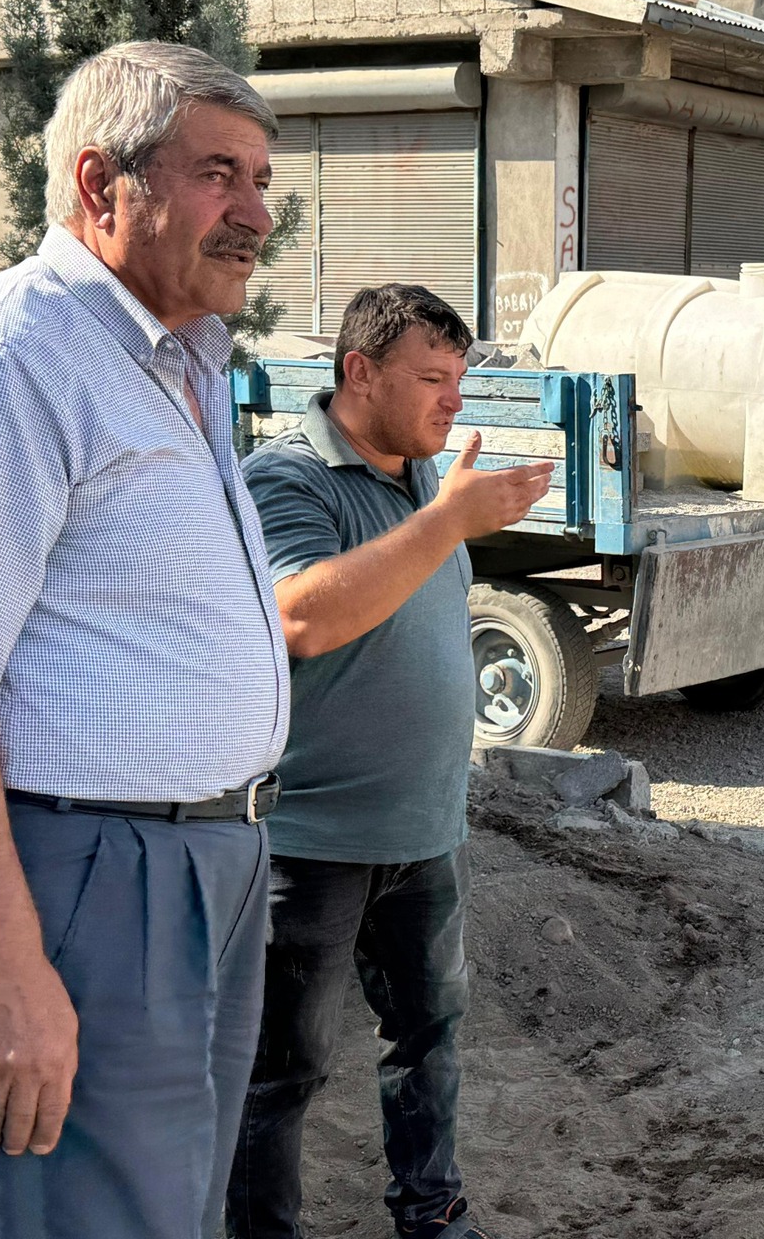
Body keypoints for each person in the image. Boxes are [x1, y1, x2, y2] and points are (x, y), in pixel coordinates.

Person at [0, 41, 292, 1239]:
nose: (255, 213)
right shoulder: (7, 359)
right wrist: (0, 972)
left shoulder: (171, 362)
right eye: (220, 175)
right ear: (102, 184)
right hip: (77, 885)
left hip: (199, 868)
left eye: (261, 179)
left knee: (170, 1218)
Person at [225, 283, 552, 1239]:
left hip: (425, 832)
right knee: (280, 1069)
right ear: (358, 374)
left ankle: (432, 1216)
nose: (455, 402)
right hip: (312, 842)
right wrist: (450, 520)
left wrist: (442, 512)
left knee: (429, 1041)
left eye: (460, 381)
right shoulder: (288, 479)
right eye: (433, 380)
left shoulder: (421, 477)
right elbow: (302, 617)